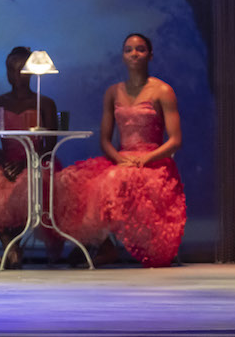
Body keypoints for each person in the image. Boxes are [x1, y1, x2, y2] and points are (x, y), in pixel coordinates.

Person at [55, 33, 186, 267]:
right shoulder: (113, 92)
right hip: (121, 159)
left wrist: (146, 158)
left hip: (153, 161)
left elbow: (175, 140)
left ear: (150, 55)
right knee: (69, 179)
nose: (134, 53)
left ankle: (99, 246)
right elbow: (105, 140)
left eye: (140, 49)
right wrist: (118, 158)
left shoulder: (162, 91)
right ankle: (103, 246)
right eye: (129, 50)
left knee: (115, 179)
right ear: (123, 56)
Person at [0, 46, 63, 266]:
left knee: (36, 183)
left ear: (32, 72)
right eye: (11, 70)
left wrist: (26, 162)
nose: (16, 76)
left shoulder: (46, 103)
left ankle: (21, 248)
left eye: (22, 70)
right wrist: (5, 163)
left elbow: (50, 143)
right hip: (4, 162)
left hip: (37, 161)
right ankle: (10, 247)